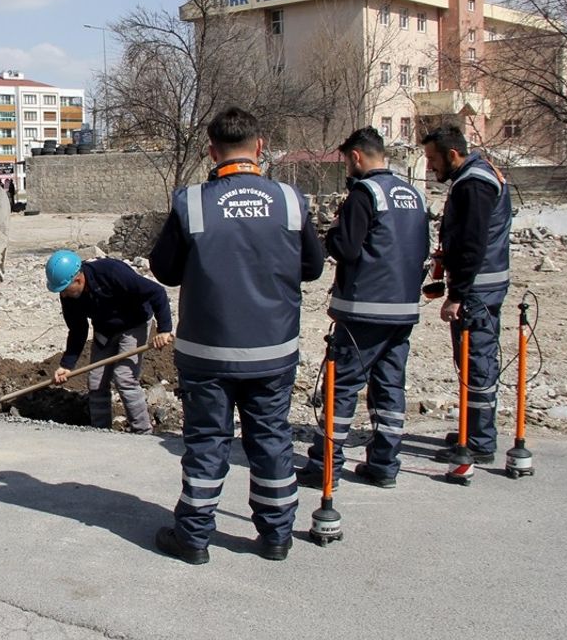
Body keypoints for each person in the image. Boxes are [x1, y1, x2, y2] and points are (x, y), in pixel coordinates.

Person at [148, 106, 323, 564]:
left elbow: (163, 270)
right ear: (259, 147)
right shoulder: (289, 200)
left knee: (208, 442)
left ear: (212, 150)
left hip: (207, 354)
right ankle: (276, 536)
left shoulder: (193, 202)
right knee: (271, 439)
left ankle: (193, 538)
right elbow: (313, 267)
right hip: (272, 350)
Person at [297, 128, 429, 491]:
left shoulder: (364, 194)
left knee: (341, 389)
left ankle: (326, 466)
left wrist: (332, 233)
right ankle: (385, 464)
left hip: (363, 312)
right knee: (389, 388)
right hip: (403, 311)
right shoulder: (413, 195)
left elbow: (347, 249)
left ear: (356, 156)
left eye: (345, 160)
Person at [422, 124, 512, 465]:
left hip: (477, 290)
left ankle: (478, 441)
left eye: (433, 159)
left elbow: (473, 242)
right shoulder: (477, 174)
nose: (430, 166)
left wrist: (457, 294)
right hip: (483, 285)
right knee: (474, 360)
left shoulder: (474, 184)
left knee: (477, 362)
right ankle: (472, 427)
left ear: (453, 154)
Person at [45, 250, 174, 434]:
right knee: (96, 380)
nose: (63, 295)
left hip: (134, 323)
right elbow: (77, 329)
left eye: (64, 290)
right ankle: (101, 432)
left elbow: (157, 292)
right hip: (105, 330)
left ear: (78, 280)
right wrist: (67, 364)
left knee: (124, 377)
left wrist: (164, 330)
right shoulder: (69, 295)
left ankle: (143, 431)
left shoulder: (111, 272)